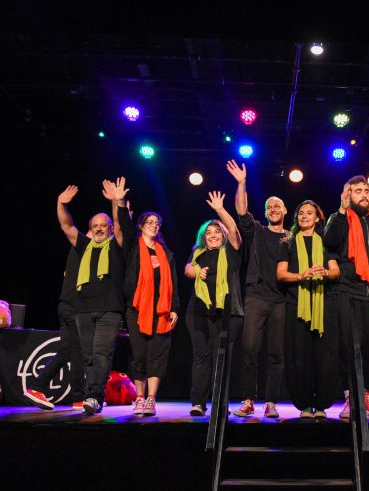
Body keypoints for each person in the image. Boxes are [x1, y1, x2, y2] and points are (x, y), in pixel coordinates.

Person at [323, 175, 369, 418]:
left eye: (366, 191)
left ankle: (367, 392)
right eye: (358, 191)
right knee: (348, 346)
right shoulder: (340, 218)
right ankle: (350, 396)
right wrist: (342, 210)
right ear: (348, 195)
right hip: (347, 289)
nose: (364, 194)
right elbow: (329, 240)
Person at [110, 178, 180, 417]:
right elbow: (124, 225)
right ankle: (139, 397)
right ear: (140, 226)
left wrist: (175, 308)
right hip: (137, 309)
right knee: (139, 355)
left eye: (157, 223)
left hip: (162, 311)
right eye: (149, 222)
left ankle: (151, 399)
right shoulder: (133, 246)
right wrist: (120, 202)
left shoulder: (166, 253)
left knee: (157, 356)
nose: (154, 226)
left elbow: (173, 284)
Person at [57, 184, 127, 415]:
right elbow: (66, 225)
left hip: (109, 309)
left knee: (101, 353)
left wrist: (115, 201)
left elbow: (119, 224)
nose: (98, 229)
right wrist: (61, 203)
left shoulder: (116, 246)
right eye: (94, 226)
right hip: (83, 309)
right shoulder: (84, 245)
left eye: (102, 225)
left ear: (108, 228)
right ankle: (94, 395)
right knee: (87, 356)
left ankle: (95, 396)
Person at [226, 160, 288, 418]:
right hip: (256, 297)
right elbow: (242, 212)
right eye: (269, 206)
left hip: (281, 299)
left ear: (285, 210)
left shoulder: (291, 238)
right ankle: (248, 399)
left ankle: (271, 402)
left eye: (277, 206)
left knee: (276, 352)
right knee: (250, 348)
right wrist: (242, 183)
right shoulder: (258, 232)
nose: (273, 209)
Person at [276, 200, 341, 417]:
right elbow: (281, 274)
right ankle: (304, 404)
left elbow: (336, 271)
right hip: (297, 306)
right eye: (301, 213)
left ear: (317, 217)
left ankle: (321, 405)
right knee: (299, 357)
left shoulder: (325, 243)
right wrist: (301, 276)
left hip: (324, 304)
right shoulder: (288, 243)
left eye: (309, 213)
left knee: (324, 357)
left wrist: (325, 272)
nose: (304, 216)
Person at [185, 191, 243, 416]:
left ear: (223, 234)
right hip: (199, 311)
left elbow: (235, 231)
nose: (212, 235)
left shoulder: (231, 251)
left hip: (227, 312)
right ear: (203, 236)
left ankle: (220, 404)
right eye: (208, 232)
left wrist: (220, 210)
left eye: (217, 231)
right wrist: (197, 272)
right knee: (201, 356)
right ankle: (198, 403)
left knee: (222, 359)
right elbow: (188, 269)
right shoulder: (197, 253)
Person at [22, 249, 87, 410]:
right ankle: (79, 399)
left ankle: (36, 388)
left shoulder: (77, 251)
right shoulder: (84, 248)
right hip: (74, 308)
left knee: (66, 351)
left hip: (65, 306)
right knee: (77, 353)